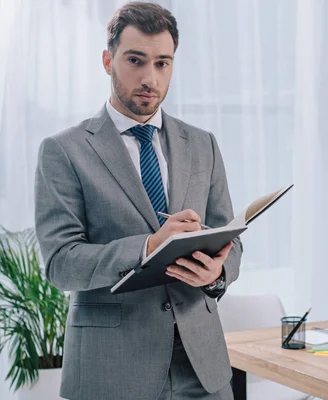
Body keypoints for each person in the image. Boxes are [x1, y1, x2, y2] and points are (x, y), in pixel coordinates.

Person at [34, 3, 241, 399]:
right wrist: (148, 247)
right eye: (136, 60)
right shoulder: (64, 150)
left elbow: (230, 240)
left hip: (202, 367)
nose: (150, 77)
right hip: (113, 370)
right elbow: (61, 263)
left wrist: (216, 273)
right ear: (108, 60)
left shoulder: (203, 145)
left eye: (163, 63)